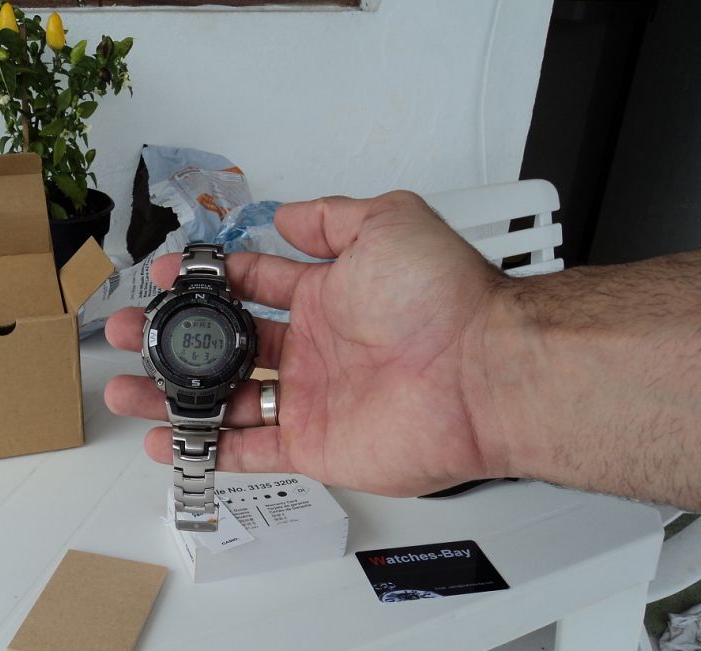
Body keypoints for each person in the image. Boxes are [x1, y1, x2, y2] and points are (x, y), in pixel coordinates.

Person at [103, 191, 701, 513]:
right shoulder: (179, 331)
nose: (198, 344)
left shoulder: (216, 339)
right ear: (161, 339)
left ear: (241, 342)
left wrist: (482, 336)